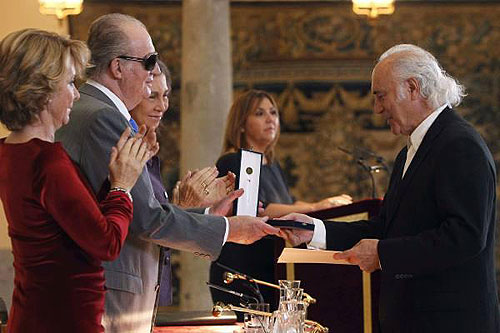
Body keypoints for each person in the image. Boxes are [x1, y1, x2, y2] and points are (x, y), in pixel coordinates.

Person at [55, 13, 280, 332]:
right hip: (107, 295)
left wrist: (208, 216)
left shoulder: (99, 113)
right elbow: (144, 218)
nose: (153, 73)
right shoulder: (102, 118)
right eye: (149, 61)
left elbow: (137, 211)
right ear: (117, 67)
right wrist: (228, 229)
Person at [281, 44, 499, 332]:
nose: (377, 109)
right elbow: (386, 228)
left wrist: (384, 254)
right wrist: (314, 230)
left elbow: (466, 237)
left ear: (412, 87)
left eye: (381, 96)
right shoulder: (410, 152)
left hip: (449, 321)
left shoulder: (459, 144)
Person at [0, 29, 155, 333]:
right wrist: (123, 186)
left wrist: (112, 183)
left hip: (32, 314)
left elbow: (66, 223)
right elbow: (107, 243)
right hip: (65, 321)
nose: (76, 93)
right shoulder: (47, 161)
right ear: (42, 90)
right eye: (70, 83)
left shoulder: (10, 150)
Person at [209, 89, 352, 314]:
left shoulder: (272, 164)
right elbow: (263, 209)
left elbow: (289, 203)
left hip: (270, 265)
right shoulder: (233, 160)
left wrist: (328, 206)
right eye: (259, 113)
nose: (270, 119)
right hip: (242, 267)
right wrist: (316, 207)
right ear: (241, 124)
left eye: (273, 112)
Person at [129, 60, 234, 306]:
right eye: (152, 96)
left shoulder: (150, 152)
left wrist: (199, 209)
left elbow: (156, 220)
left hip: (155, 290)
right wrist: (185, 208)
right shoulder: (125, 151)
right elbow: (144, 224)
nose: (162, 106)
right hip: (133, 296)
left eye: (165, 96)